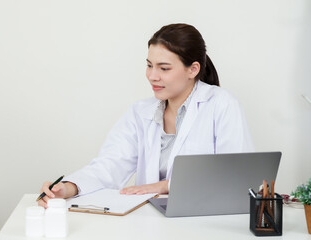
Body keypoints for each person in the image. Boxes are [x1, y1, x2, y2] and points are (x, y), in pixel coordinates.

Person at [38, 23, 253, 208]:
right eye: (149, 65)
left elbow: (236, 176)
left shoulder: (221, 104)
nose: (152, 76)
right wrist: (67, 188)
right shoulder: (140, 112)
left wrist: (165, 186)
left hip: (203, 223)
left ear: (193, 69)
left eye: (164, 68)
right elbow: (110, 165)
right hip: (149, 222)